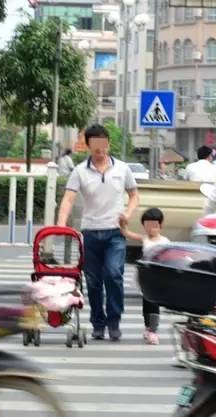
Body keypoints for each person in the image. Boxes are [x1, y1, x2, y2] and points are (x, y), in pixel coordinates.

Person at [57, 124, 139, 341]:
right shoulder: (79, 171)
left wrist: (128, 214)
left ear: (108, 144)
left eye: (103, 144)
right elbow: (68, 198)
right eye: (95, 145)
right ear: (88, 146)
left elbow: (134, 196)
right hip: (90, 233)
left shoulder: (122, 169)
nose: (100, 149)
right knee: (93, 282)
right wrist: (61, 223)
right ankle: (97, 323)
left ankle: (114, 320)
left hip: (115, 232)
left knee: (113, 274)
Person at [119, 208, 169, 345]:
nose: (151, 228)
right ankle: (148, 327)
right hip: (145, 277)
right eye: (147, 225)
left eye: (154, 225)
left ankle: (153, 330)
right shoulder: (145, 238)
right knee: (146, 302)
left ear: (160, 225)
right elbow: (126, 233)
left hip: (158, 277)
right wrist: (123, 223)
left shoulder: (165, 242)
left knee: (154, 303)